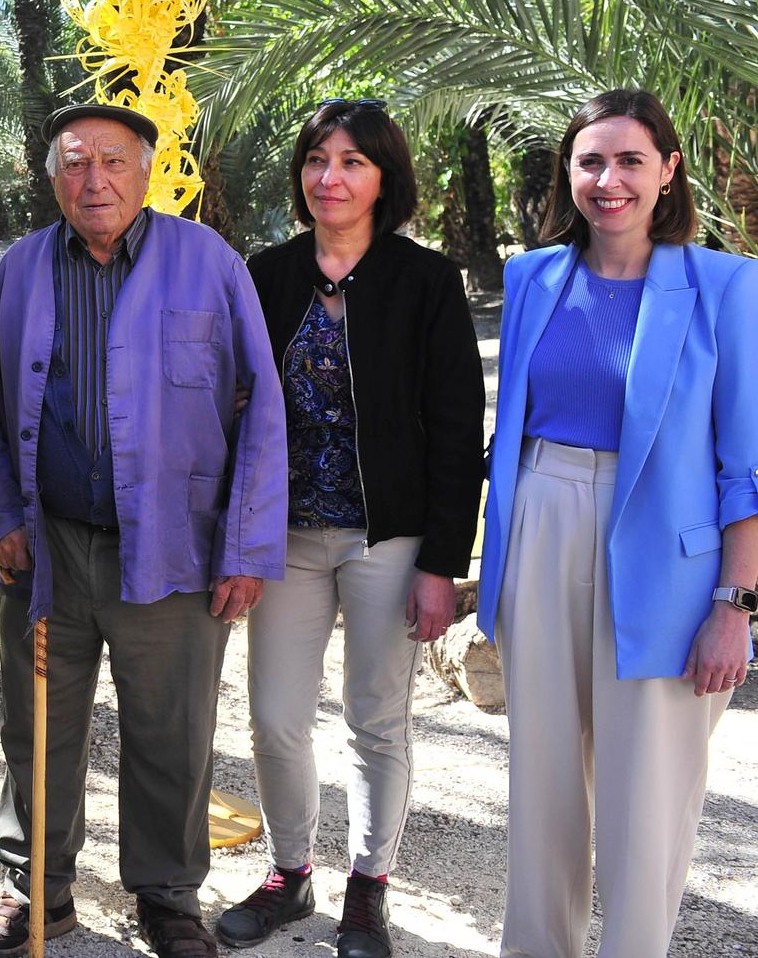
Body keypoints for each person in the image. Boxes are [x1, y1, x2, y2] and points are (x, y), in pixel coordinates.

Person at [0, 102, 288, 958]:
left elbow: (259, 407)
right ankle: (39, 889)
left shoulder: (208, 263)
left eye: (111, 160)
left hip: (174, 544)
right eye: (74, 162)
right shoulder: (20, 272)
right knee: (37, 720)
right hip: (48, 544)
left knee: (171, 724)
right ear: (51, 174)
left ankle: (169, 897)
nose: (93, 178)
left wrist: (245, 547)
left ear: (145, 170)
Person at [475, 88, 756, 958]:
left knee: (648, 797)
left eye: (631, 159)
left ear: (669, 171)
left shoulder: (725, 285)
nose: (609, 180)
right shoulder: (531, 278)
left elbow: (744, 466)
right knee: (545, 783)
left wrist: (735, 605)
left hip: (670, 562)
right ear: (569, 171)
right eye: (591, 160)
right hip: (543, 522)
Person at [222, 101, 484, 957]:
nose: (329, 176)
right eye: (316, 159)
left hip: (390, 538)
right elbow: (233, 410)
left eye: (352, 162)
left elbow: (453, 429)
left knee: (377, 719)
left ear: (383, 177)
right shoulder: (268, 273)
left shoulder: (425, 281)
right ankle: (289, 872)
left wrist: (442, 562)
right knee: (274, 716)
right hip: (286, 537)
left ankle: (367, 886)